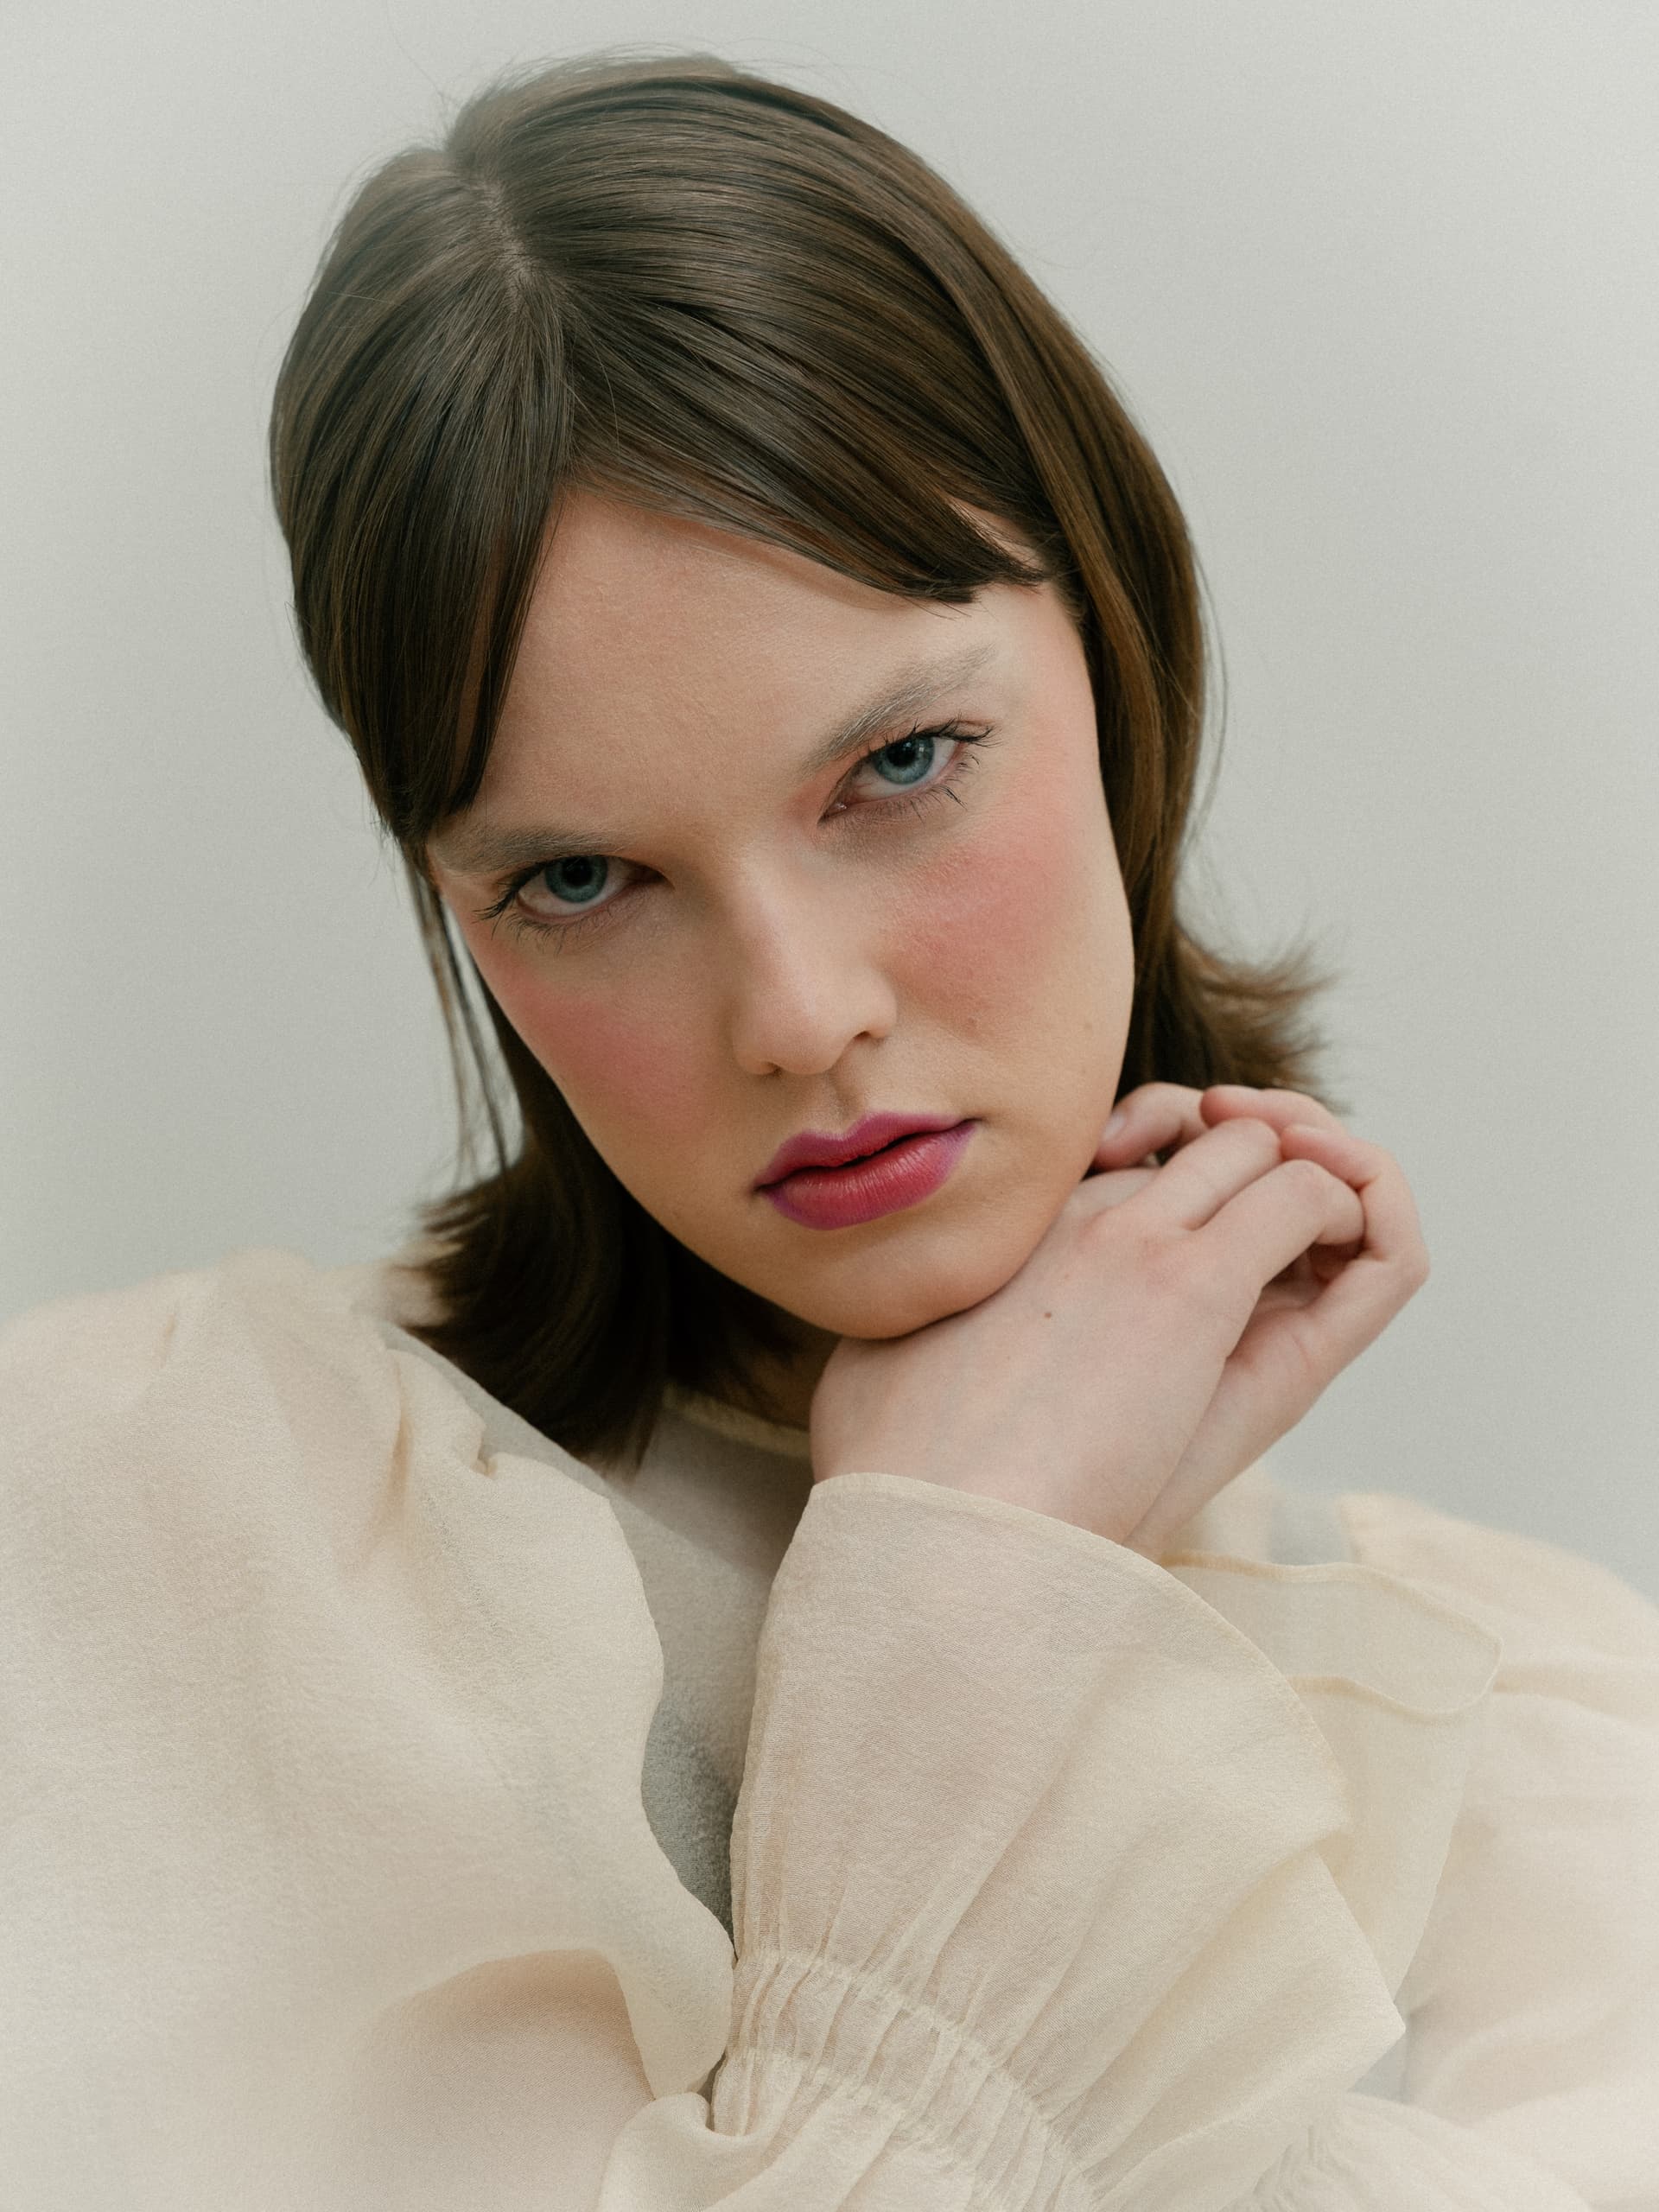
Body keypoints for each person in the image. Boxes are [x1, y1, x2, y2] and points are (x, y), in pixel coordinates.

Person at [2, 49, 1654, 2212]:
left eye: (900, 766)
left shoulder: (1559, 1718)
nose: (798, 1015)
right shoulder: (143, 1528)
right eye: (581, 881)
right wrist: (963, 1590)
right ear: (456, 906)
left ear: (1119, 658)